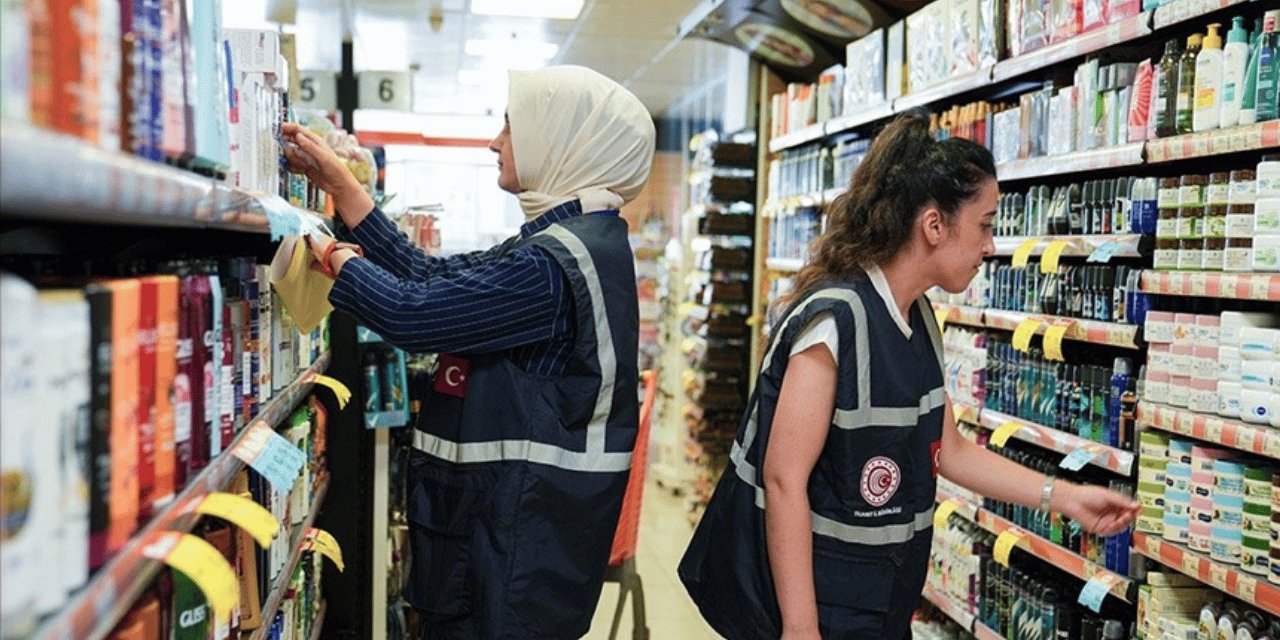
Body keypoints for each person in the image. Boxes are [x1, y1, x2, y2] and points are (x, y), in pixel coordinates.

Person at [678, 114, 1138, 640]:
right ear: (934, 225)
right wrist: (801, 627)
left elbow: (951, 451)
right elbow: (784, 481)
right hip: (817, 609)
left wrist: (1066, 496)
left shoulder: (919, 318)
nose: (990, 246)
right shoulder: (835, 323)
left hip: (878, 606)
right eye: (985, 225)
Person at [281, 65, 656, 639]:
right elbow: (433, 278)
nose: (495, 141)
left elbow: (418, 313)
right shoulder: (572, 241)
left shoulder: (554, 266)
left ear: (562, 138)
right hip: (512, 537)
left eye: (511, 126)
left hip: (509, 549)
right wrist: (345, 190)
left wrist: (335, 258)